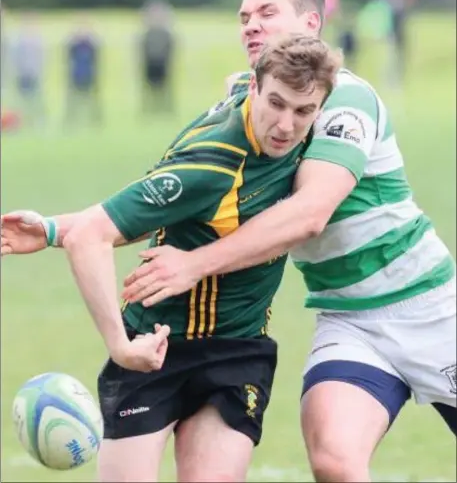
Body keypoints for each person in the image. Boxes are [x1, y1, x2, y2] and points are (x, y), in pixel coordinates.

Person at [117, 0, 455, 483]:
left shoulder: (345, 97)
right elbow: (192, 184)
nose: (250, 24)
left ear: (313, 23)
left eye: (267, 13)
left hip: (432, 310)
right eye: (245, 15)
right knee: (335, 461)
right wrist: (79, 229)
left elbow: (310, 212)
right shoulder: (248, 101)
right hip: (350, 319)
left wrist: (194, 265)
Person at [1, 33, 343, 482]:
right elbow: (92, 235)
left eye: (304, 111)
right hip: (154, 348)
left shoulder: (273, 105)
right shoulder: (210, 167)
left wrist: (47, 230)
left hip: (238, 349)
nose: (286, 125)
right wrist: (121, 348)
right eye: (276, 103)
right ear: (256, 89)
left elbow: (235, 78)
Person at [65, 18, 102, 127]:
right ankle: (72, 120)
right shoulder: (74, 45)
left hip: (89, 75)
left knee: (91, 100)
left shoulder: (91, 45)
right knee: (74, 100)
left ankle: (95, 120)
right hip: (76, 75)